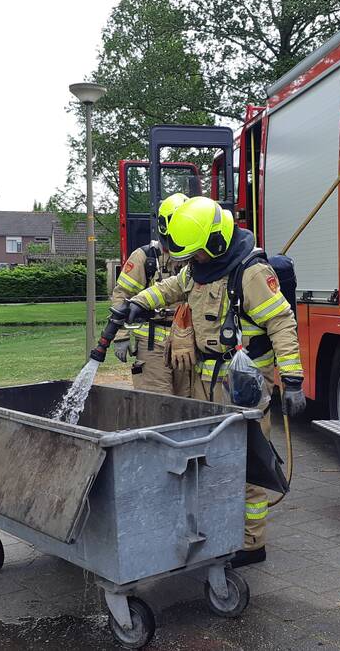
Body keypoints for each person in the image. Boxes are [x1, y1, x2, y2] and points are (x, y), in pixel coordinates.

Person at [114, 196, 305, 567]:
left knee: (246, 461)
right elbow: (172, 286)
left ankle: (252, 543)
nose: (193, 260)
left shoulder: (249, 272)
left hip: (245, 387)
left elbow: (281, 323)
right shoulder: (202, 267)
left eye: (197, 253)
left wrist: (293, 379)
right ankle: (222, 529)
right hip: (209, 380)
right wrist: (139, 303)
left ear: (215, 241)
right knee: (213, 459)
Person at [108, 193, 192, 397]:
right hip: (152, 344)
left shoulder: (197, 257)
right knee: (157, 401)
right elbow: (122, 296)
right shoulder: (145, 258)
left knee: (188, 401)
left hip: (187, 342)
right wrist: (121, 335)